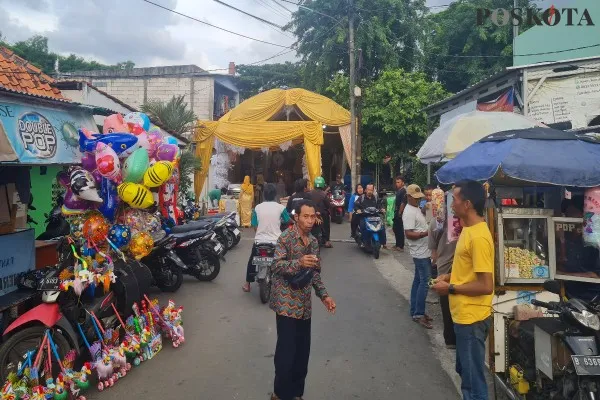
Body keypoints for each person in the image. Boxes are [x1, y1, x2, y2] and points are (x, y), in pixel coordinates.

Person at [432, 180, 494, 400]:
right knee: (464, 371)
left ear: (467, 204)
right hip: (462, 316)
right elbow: (468, 270)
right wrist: (449, 276)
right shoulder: (467, 231)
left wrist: (450, 288)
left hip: (472, 318)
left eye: (455, 200)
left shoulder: (478, 237)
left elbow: (486, 285)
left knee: (473, 384)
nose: (451, 205)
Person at [270, 200, 336, 400]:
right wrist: (298, 262)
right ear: (296, 217)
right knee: (286, 353)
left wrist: (324, 296)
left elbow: (314, 274)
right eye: (305, 216)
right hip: (286, 303)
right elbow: (276, 266)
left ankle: (297, 393)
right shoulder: (286, 238)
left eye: (313, 216)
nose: (309, 221)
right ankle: (280, 394)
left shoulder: (314, 242)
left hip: (304, 305)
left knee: (302, 353)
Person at [243, 183, 290, 293]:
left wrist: (260, 233)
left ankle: (247, 284)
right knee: (286, 258)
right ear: (275, 195)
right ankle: (287, 282)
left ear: (264, 194)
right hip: (276, 241)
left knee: (252, 260)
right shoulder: (281, 208)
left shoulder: (257, 208)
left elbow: (254, 225)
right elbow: (288, 221)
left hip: (260, 241)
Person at [403, 184, 432, 329]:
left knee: (418, 280)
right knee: (425, 282)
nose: (417, 200)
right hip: (420, 252)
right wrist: (426, 233)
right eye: (415, 198)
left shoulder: (415, 209)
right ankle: (419, 313)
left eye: (418, 198)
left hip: (423, 250)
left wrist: (423, 209)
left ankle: (415, 310)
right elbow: (408, 233)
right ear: (408, 197)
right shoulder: (408, 212)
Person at [428, 200, 457, 348]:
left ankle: (450, 339)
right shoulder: (461, 222)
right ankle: (454, 338)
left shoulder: (435, 222)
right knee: (454, 303)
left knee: (446, 305)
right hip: (454, 269)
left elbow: (432, 252)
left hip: (443, 267)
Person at [354, 183, 387, 247]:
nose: (370, 191)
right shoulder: (361, 198)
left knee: (382, 227)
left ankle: (383, 242)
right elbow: (356, 205)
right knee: (363, 226)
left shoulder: (376, 198)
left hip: (375, 216)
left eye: (371, 190)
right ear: (365, 190)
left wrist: (382, 209)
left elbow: (380, 205)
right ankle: (362, 241)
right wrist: (358, 210)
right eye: (368, 190)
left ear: (373, 190)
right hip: (365, 216)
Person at [309, 176, 332, 248]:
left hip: (312, 213)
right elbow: (328, 205)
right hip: (322, 213)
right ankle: (326, 241)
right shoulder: (324, 194)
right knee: (326, 225)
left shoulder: (310, 193)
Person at [392, 176, 407, 252]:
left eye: (398, 182)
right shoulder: (399, 190)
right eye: (396, 182)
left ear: (403, 183)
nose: (397, 184)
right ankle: (397, 244)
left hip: (400, 212)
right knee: (395, 228)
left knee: (399, 229)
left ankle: (400, 246)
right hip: (397, 211)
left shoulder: (403, 191)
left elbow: (403, 203)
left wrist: (400, 212)